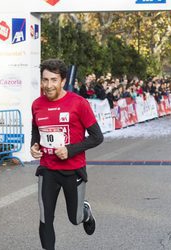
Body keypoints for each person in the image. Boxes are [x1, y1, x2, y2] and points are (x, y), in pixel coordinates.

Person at [30, 59, 104, 250]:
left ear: (63, 81)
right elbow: (36, 130)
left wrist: (70, 150)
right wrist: (34, 145)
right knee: (45, 217)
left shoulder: (78, 103)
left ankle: (85, 212)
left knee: (75, 218)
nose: (48, 85)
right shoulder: (37, 104)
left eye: (53, 80)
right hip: (48, 169)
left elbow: (97, 137)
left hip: (73, 170)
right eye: (45, 80)